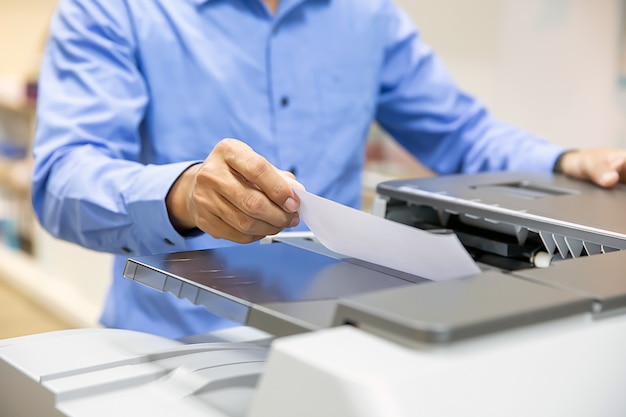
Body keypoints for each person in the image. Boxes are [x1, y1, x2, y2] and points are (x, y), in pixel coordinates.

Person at [32, 0, 626, 339]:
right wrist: (182, 195)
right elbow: (62, 178)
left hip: (338, 343)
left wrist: (564, 160)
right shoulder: (112, 9)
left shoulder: (367, 15)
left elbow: (461, 132)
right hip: (169, 342)